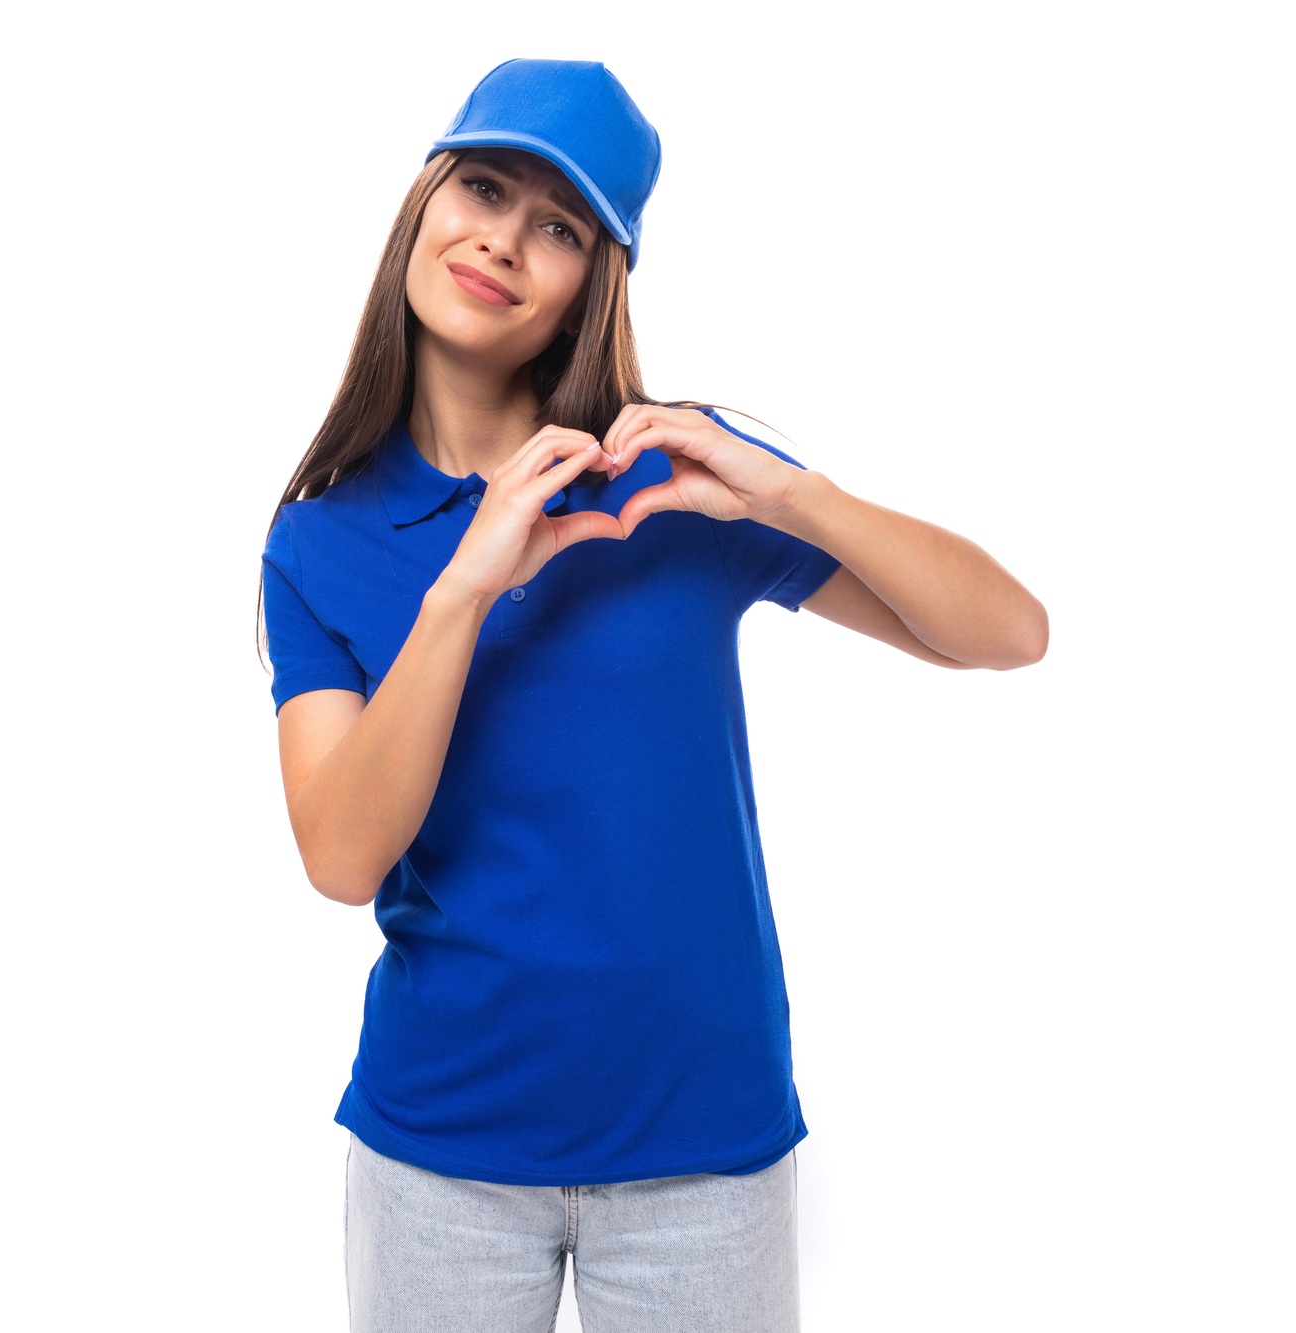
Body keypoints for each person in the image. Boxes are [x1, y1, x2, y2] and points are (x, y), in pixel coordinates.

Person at [257, 58, 1047, 1333]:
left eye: (557, 227)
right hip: (439, 1151)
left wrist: (789, 491)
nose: (503, 241)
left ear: (593, 281)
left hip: (702, 1150)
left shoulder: (666, 481)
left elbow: (1007, 632)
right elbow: (343, 853)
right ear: (424, 203)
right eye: (484, 187)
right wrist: (460, 589)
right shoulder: (318, 541)